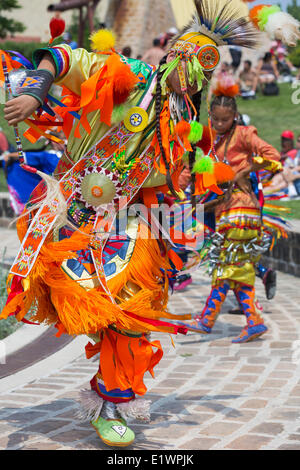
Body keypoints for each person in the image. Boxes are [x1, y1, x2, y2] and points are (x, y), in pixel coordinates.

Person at [0, 0, 262, 447]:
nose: (188, 71)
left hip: (130, 221)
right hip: (73, 213)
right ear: (172, 53)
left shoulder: (183, 120)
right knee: (75, 302)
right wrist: (36, 91)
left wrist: (198, 206)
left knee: (133, 310)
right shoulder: (133, 79)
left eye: (202, 65)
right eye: (184, 56)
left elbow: (174, 180)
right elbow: (64, 58)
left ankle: (113, 400)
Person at [179, 86, 281, 343]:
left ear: (235, 116)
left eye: (225, 119)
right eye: (215, 118)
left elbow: (272, 155)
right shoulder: (209, 139)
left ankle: (207, 320)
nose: (219, 123)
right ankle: (254, 322)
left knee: (225, 268)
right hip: (228, 213)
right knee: (238, 270)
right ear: (210, 115)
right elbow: (189, 170)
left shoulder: (245, 135)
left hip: (241, 211)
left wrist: (243, 173)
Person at [1, 138, 64, 215]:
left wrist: (9, 155)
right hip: (64, 192)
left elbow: (22, 156)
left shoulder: (48, 155)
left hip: (56, 195)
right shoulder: (68, 155)